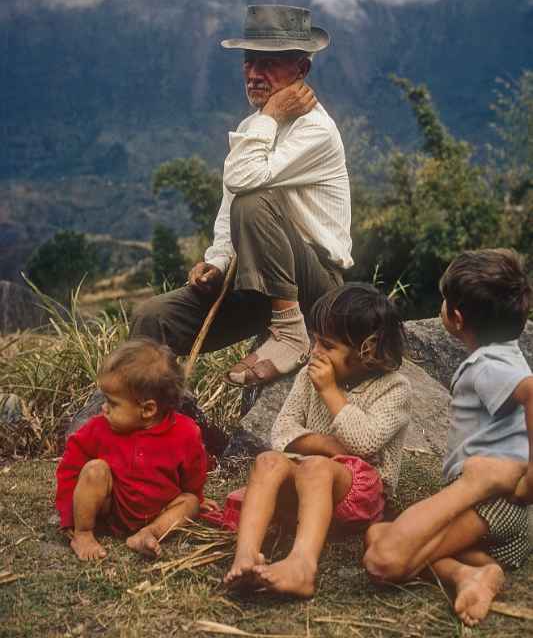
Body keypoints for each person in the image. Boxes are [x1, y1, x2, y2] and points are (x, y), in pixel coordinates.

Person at [131, 4, 353, 386]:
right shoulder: (253, 127)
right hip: (256, 283)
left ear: (301, 70)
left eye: (269, 63)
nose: (253, 74)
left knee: (255, 200)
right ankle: (157, 411)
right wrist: (216, 263)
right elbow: (228, 205)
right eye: (249, 62)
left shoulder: (316, 130)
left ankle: (289, 332)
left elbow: (246, 184)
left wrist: (270, 115)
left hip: (313, 289)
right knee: (152, 317)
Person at [363, 248, 533, 627]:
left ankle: (474, 496)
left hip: (490, 499)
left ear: (455, 317)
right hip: (504, 522)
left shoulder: (489, 364)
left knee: (382, 557)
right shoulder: (503, 355)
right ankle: (471, 572)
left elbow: (531, 392)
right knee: (377, 532)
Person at [223, 282, 411, 596]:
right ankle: (245, 554)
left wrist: (330, 392)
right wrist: (324, 445)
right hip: (307, 480)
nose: (316, 352)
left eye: (327, 345)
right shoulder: (307, 376)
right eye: (315, 341)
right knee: (267, 461)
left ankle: (302, 565)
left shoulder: (394, 389)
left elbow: (363, 444)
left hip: (361, 493)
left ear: (368, 351)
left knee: (315, 468)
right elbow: (281, 432)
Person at [56, 338, 208, 561]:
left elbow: (193, 477)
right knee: (94, 470)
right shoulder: (97, 428)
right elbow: (69, 470)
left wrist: (198, 500)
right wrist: (71, 516)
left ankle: (149, 533)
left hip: (160, 509)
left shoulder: (186, 432)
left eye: (113, 403)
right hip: (111, 511)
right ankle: (84, 534)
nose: (103, 408)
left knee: (190, 502)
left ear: (147, 409)